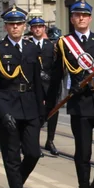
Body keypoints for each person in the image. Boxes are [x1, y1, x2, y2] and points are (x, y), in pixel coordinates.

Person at [47, 0, 94, 188]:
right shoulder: (64, 44)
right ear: (72, 19)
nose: (81, 18)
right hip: (79, 105)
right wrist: (48, 105)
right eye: (77, 15)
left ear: (90, 18)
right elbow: (56, 76)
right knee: (83, 153)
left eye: (85, 15)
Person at [0, 6, 45, 188]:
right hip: (8, 106)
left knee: (33, 153)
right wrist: (2, 112)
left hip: (29, 106)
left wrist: (42, 111)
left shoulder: (30, 49)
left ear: (24, 25)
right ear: (6, 26)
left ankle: (16, 181)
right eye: (11, 24)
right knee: (11, 156)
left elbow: (37, 82)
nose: (15, 27)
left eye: (19, 24)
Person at [29, 16, 59, 156]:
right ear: (31, 29)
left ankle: (50, 141)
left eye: (40, 27)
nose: (37, 29)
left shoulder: (51, 46)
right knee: (36, 115)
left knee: (53, 112)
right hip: (34, 86)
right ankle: (34, 143)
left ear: (44, 28)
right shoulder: (28, 45)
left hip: (50, 85)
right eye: (35, 27)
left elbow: (56, 66)